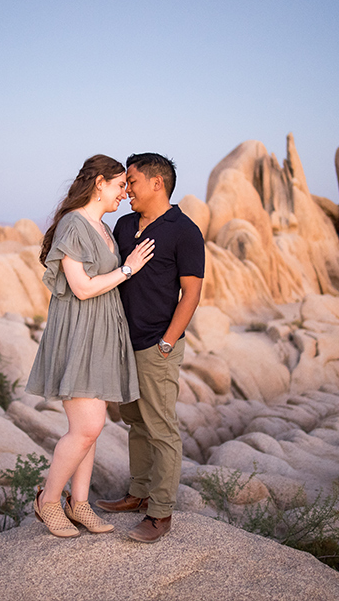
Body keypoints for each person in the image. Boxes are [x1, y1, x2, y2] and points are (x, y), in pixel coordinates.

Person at [25, 154, 155, 538]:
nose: (124, 192)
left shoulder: (102, 226)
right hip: (79, 331)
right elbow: (81, 288)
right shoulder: (73, 224)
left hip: (101, 333)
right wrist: (128, 268)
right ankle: (48, 500)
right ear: (99, 183)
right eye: (119, 185)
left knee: (92, 428)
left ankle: (79, 504)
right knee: (87, 426)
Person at [97, 152, 205, 543]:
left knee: (161, 429)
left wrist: (167, 342)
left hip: (156, 346)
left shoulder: (184, 231)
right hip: (122, 346)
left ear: (157, 183)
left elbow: (191, 294)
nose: (127, 190)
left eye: (133, 181)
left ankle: (160, 514)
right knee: (136, 422)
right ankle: (138, 494)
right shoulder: (126, 224)